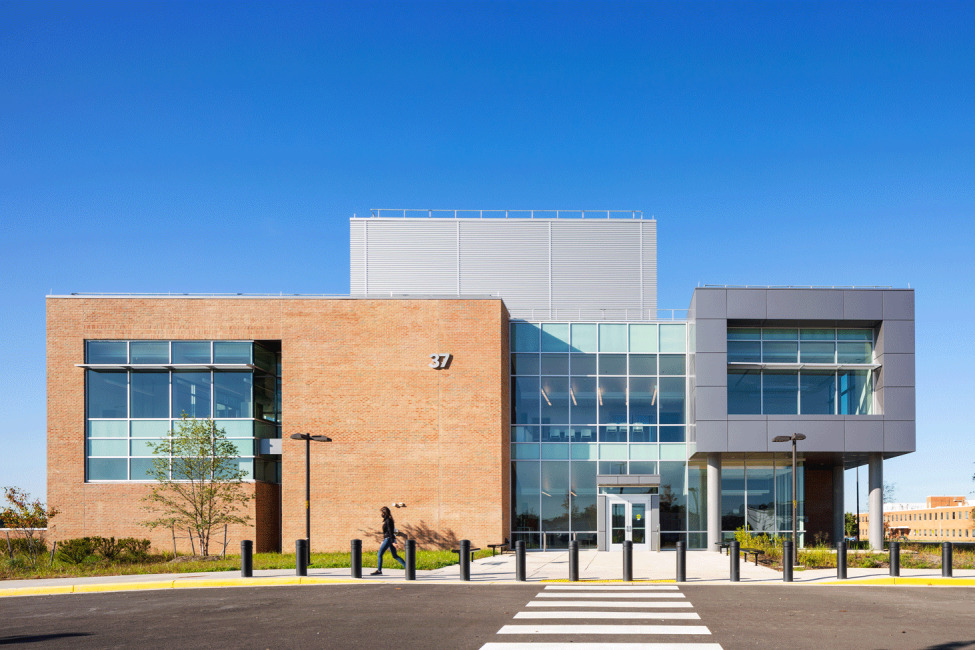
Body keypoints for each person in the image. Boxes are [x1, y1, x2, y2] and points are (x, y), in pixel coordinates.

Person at [371, 506, 405, 575]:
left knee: (379, 554)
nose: (381, 514)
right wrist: (384, 540)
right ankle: (408, 568)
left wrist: (393, 542)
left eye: (382, 513)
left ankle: (379, 571)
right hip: (388, 539)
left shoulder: (388, 520)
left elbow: (390, 531)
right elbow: (388, 532)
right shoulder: (388, 520)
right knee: (395, 555)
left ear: (384, 513)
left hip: (389, 539)